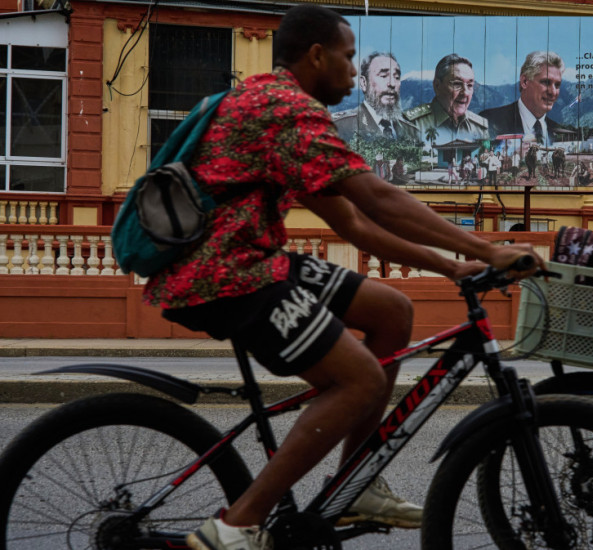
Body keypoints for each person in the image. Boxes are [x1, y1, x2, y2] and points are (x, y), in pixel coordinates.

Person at [146, 7, 542, 550]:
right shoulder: (287, 110)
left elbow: (353, 223)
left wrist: (452, 266)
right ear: (316, 56)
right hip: (227, 273)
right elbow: (376, 196)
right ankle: (237, 526)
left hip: (251, 260)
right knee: (362, 380)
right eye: (349, 57)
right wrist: (486, 248)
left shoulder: (274, 106)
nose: (353, 70)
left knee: (392, 312)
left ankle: (357, 484)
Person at [480, 51, 564, 146]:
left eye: (557, 85)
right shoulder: (489, 121)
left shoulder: (558, 129)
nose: (553, 92)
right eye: (546, 82)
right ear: (524, 82)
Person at [404, 54, 489, 145]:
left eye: (470, 85)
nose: (465, 93)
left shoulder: (480, 127)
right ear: (437, 86)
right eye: (457, 84)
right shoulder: (412, 124)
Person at [333, 52, 418, 141]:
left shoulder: (412, 132)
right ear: (364, 83)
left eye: (397, 77)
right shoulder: (340, 127)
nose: (392, 84)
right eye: (383, 76)